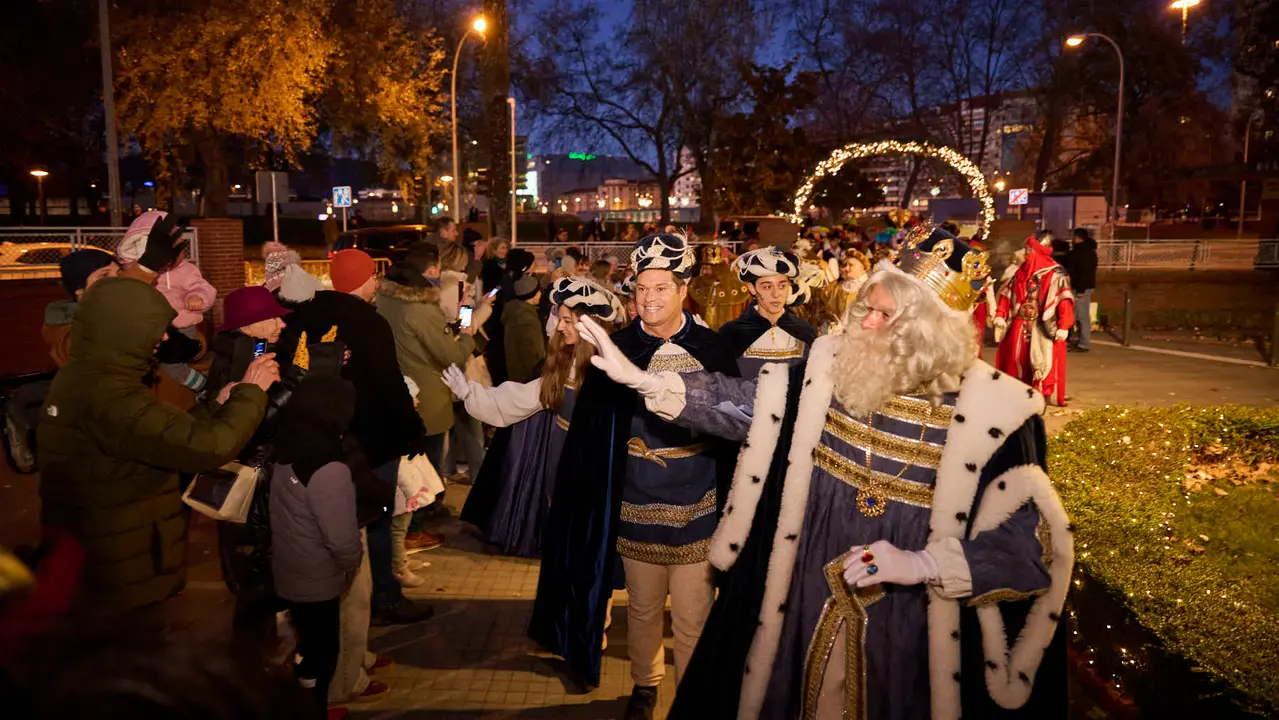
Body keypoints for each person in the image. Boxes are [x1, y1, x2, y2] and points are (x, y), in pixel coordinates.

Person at [580, 226, 1072, 720]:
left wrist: (925, 565)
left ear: (930, 331)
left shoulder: (999, 413)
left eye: (885, 315)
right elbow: (744, 405)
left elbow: (1032, 547)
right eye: (865, 310)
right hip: (804, 601)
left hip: (911, 620)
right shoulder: (829, 375)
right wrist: (646, 381)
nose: (867, 325)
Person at [529, 232, 739, 719]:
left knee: (692, 617)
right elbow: (593, 439)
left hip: (698, 512)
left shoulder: (712, 348)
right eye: (641, 287)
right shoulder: (616, 349)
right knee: (642, 611)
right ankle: (645, 685)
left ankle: (691, 698)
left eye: (661, 287)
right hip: (634, 509)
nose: (648, 298)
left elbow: (736, 431)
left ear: (683, 289)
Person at [37, 215, 277, 616]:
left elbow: (167, 428)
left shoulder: (96, 370)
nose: (163, 336)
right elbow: (209, 446)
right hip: (120, 572)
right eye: (154, 329)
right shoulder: (110, 393)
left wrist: (218, 404)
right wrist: (251, 391)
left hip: (126, 547)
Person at [274, 249, 432, 627]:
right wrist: (412, 430)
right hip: (373, 435)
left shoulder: (308, 314)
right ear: (363, 280)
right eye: (371, 277)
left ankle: (345, 595)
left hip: (326, 434)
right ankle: (385, 596)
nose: (376, 283)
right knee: (377, 513)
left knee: (335, 517)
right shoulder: (367, 322)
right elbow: (387, 383)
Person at [449, 277, 626, 557]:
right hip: (561, 455)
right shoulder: (564, 365)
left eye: (568, 321)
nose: (559, 326)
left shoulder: (614, 369)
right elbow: (518, 399)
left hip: (592, 460)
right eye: (561, 319)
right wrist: (471, 393)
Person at [269, 375, 362, 717]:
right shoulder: (328, 466)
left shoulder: (288, 445)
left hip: (289, 566)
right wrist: (352, 561)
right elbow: (340, 538)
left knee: (306, 648)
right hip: (317, 579)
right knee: (321, 657)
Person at [117, 210, 216, 393]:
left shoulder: (185, 270)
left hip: (181, 327)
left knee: (172, 368)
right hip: (152, 330)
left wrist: (197, 297)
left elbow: (203, 287)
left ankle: (204, 387)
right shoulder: (133, 273)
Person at [994, 235, 1075, 407]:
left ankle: (1038, 396)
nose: (1026, 254)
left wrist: (1064, 326)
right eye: (1026, 250)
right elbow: (1007, 295)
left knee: (1040, 361)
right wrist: (1000, 314)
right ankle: (1017, 392)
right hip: (1018, 323)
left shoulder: (1056, 274)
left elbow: (1064, 302)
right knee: (1015, 359)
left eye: (1029, 250)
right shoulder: (1021, 272)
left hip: (1042, 325)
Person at [717, 247, 815, 378]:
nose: (776, 294)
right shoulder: (732, 333)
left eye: (782, 286)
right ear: (752, 288)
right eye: (767, 287)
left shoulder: (805, 331)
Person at [438, 242, 492, 483]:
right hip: (462, 359)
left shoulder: (437, 285)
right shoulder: (462, 289)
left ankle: (446, 469)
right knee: (471, 419)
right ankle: (479, 470)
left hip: (441, 356)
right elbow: (467, 327)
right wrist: (485, 309)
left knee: (448, 421)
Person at [392, 376, 445, 588]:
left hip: (408, 490)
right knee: (397, 529)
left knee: (402, 527)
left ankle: (401, 559)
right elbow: (402, 468)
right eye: (414, 397)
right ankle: (398, 567)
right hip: (403, 491)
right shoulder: (400, 429)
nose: (418, 401)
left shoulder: (408, 424)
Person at [42, 249, 119, 368]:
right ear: (80, 289)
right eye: (104, 275)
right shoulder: (63, 326)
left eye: (119, 274)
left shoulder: (117, 307)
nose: (117, 281)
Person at [687, 243, 750, 331]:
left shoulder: (738, 285)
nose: (704, 271)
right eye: (703, 267)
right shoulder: (696, 284)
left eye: (707, 268)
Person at [503, 273, 547, 383]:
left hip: (517, 374)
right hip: (527, 378)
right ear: (534, 294)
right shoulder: (527, 320)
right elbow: (532, 353)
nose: (541, 294)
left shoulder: (516, 311)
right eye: (539, 291)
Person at [1066, 228, 1097, 353]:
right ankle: (1081, 341)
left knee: (1082, 316)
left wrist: (1081, 289)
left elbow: (1085, 273)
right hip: (1084, 286)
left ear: (1078, 238)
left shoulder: (1082, 252)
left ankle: (1084, 343)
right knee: (1080, 315)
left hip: (1081, 288)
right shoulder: (1089, 251)